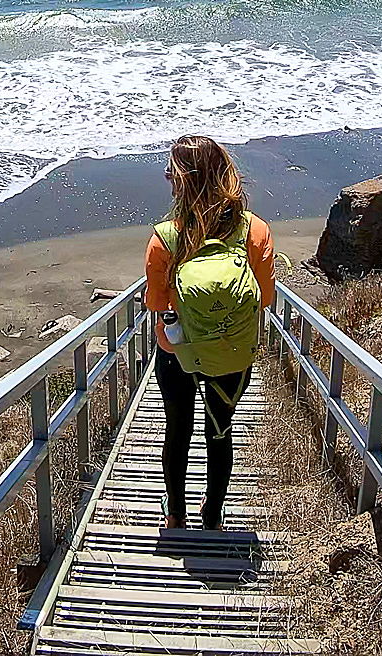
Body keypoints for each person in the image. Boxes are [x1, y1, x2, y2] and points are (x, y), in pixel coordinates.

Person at [143, 134, 276, 531]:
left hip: (177, 350)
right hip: (232, 350)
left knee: (177, 427)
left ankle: (175, 515)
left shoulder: (164, 238)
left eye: (170, 172)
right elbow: (265, 298)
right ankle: (213, 517)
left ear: (181, 180)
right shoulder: (255, 232)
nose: (167, 176)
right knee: (220, 431)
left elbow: (156, 305)